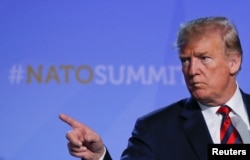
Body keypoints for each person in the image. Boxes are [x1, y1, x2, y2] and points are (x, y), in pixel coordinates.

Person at [59, 16, 250, 160]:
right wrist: (100, 156)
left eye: (204, 58)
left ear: (233, 62)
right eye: (185, 60)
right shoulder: (154, 129)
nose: (192, 70)